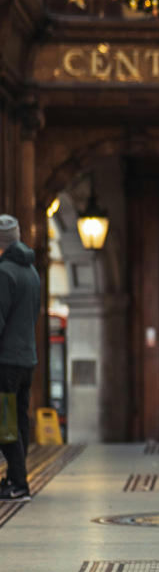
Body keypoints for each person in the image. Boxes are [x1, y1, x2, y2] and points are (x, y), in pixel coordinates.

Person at [0, 215, 40, 503]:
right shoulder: (32, 272)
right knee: (20, 419)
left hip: (6, 362)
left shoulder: (4, 273)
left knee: (4, 421)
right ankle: (18, 477)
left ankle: (17, 484)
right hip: (27, 360)